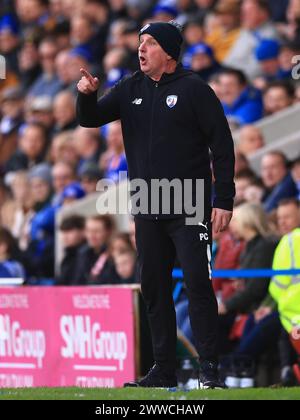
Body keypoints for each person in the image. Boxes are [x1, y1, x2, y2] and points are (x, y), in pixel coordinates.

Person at [77, 21, 235, 389]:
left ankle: (209, 370)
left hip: (190, 204)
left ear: (168, 52)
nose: (141, 49)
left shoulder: (196, 89)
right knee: (154, 287)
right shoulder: (130, 86)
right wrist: (85, 94)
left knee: (197, 283)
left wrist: (223, 199)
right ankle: (163, 369)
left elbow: (223, 146)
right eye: (139, 43)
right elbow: (89, 118)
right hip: (147, 205)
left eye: (149, 43)